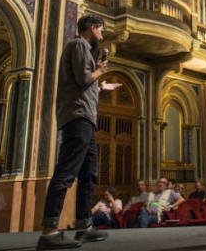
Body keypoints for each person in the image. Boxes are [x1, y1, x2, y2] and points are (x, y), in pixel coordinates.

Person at [36, 15, 121, 250]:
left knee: (89, 173)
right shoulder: (78, 45)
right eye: (101, 31)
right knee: (66, 172)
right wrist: (99, 72)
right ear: (91, 29)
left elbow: (85, 81)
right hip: (77, 118)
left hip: (86, 119)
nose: (102, 35)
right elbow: (84, 78)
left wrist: (102, 86)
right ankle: (49, 230)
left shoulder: (83, 48)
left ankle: (84, 226)